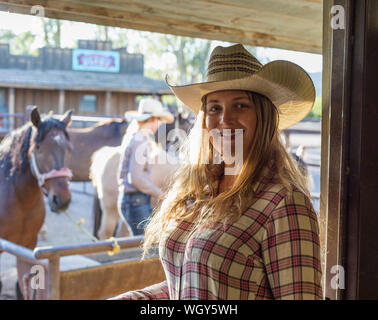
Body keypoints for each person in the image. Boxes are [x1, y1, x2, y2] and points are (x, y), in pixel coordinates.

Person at [112, 44, 323, 299]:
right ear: (204, 119)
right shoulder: (200, 190)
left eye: (240, 106)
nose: (225, 119)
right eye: (214, 108)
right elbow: (192, 282)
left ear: (263, 116)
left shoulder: (284, 204)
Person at [117, 98, 174, 236]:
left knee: (142, 243)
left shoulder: (137, 137)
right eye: (159, 120)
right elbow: (136, 178)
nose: (159, 124)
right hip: (136, 201)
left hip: (134, 200)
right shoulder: (142, 139)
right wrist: (161, 194)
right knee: (146, 246)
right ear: (153, 119)